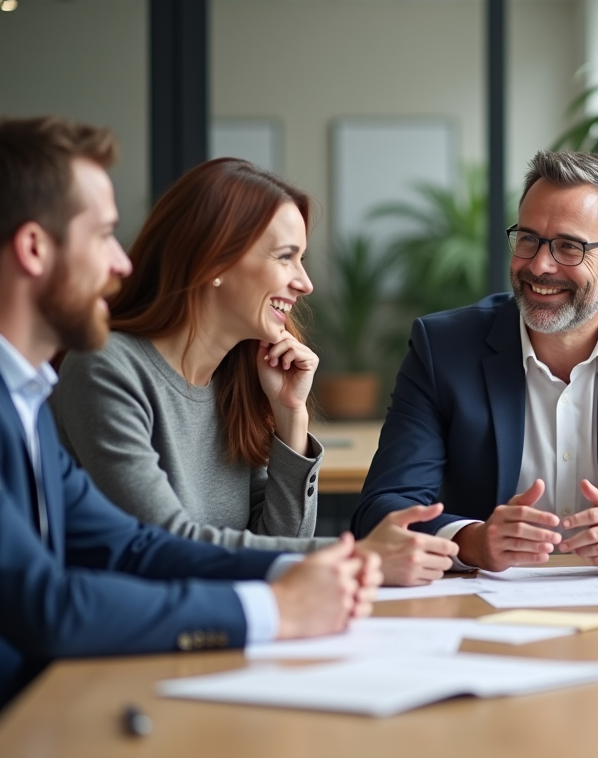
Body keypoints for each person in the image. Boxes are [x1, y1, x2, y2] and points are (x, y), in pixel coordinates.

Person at [0, 115, 380, 708]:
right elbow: (58, 601)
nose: (120, 263)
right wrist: (287, 598)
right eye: (103, 236)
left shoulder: (24, 401)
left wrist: (291, 423)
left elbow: (134, 547)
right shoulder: (91, 372)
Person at [50, 157, 457, 587]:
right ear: (215, 263)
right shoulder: (104, 366)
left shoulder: (237, 378)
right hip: (128, 642)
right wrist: (358, 556)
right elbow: (165, 545)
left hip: (225, 626)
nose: (305, 282)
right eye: (286, 257)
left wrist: (290, 418)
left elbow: (275, 547)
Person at [351, 150, 598, 572]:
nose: (539, 265)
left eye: (568, 247)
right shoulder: (445, 349)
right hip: (482, 611)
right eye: (528, 239)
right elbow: (381, 511)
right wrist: (471, 541)